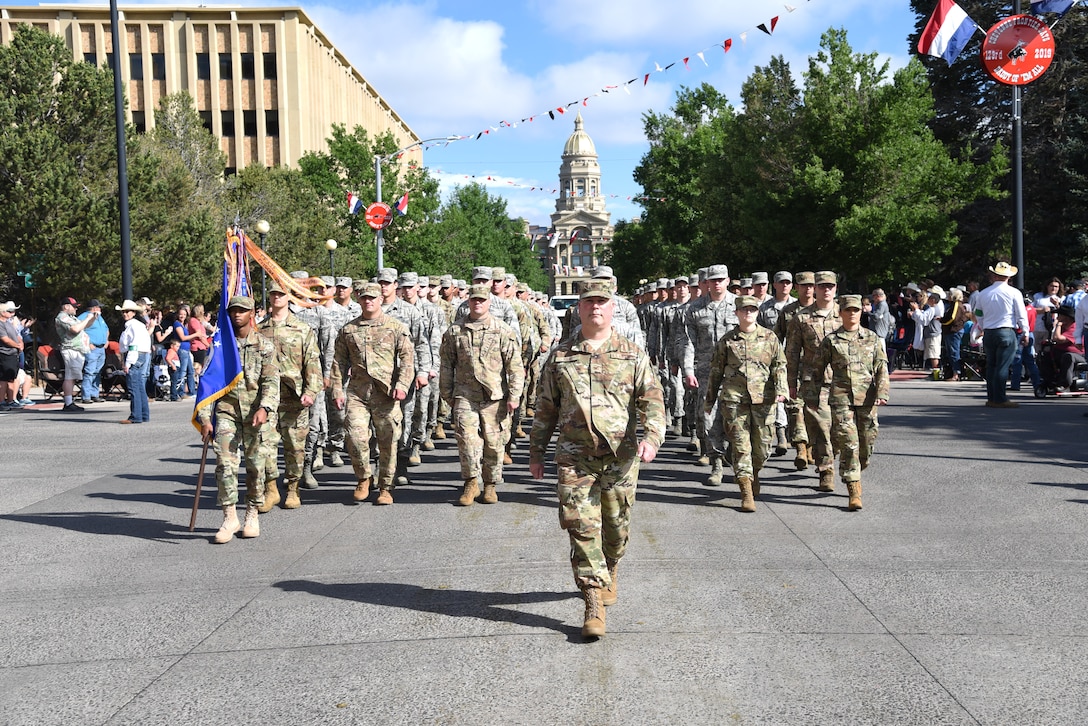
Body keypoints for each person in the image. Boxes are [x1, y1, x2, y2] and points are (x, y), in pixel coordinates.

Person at [529, 279, 666, 639]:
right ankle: (592, 601)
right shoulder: (560, 356)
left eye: (602, 302)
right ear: (579, 307)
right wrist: (536, 452)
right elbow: (545, 408)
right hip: (574, 456)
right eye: (589, 302)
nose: (595, 308)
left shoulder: (632, 354)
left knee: (616, 529)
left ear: (612, 307)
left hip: (620, 457)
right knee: (580, 526)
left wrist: (652, 438)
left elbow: (652, 400)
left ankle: (612, 566)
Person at [196, 296, 279, 544]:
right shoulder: (219, 347)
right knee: (224, 464)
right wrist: (204, 417)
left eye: (242, 311)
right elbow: (208, 383)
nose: (237, 315)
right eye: (233, 311)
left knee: (256, 466)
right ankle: (229, 516)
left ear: (251, 313)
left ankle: (252, 514)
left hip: (256, 414)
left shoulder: (264, 346)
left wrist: (265, 407)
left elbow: (271, 382)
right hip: (227, 412)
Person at [440, 283, 524, 506]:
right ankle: (471, 482)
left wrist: (514, 395)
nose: (478, 303)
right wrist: (447, 393)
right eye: (474, 300)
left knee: (495, 443)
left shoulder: (503, 330)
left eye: (482, 300)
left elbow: (515, 366)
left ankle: (490, 485)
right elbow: (447, 364)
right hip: (465, 395)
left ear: (489, 302)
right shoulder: (455, 331)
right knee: (467, 441)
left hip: (495, 397)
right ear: (468, 301)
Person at [333, 282, 415, 505]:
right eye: (364, 297)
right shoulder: (348, 329)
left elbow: (407, 359)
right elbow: (338, 361)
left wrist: (402, 385)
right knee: (355, 437)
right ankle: (363, 477)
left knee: (388, 440)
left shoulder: (396, 327)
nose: (368, 301)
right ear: (358, 300)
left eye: (372, 297)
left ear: (381, 300)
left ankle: (386, 486)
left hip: (386, 394)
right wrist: (337, 389)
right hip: (358, 392)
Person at [705, 295, 787, 512]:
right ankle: (746, 491)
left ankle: (754, 473)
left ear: (757, 312)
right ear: (737, 313)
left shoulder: (770, 338)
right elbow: (716, 371)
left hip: (763, 399)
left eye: (752, 309)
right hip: (735, 400)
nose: (748, 313)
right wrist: (710, 400)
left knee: (761, 448)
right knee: (741, 446)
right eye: (744, 310)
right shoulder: (727, 340)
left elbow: (779, 365)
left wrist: (782, 390)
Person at [818, 295, 889, 510]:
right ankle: (853, 488)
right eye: (848, 310)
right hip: (841, 399)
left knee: (865, 444)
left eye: (856, 310)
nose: (852, 314)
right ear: (841, 313)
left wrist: (882, 392)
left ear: (861, 312)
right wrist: (812, 396)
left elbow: (881, 368)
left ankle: (855, 466)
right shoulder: (831, 341)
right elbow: (816, 369)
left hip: (867, 398)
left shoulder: (872, 338)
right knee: (850, 443)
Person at [257, 281, 323, 512]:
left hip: (293, 397)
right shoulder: (259, 328)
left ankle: (293, 488)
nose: (276, 298)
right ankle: (271, 489)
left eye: (281, 294)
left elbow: (312, 363)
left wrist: (311, 391)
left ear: (289, 298)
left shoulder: (302, 329)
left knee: (295, 446)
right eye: (273, 294)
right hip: (267, 399)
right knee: (265, 445)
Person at [784, 271, 842, 492]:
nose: (826, 290)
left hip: (842, 382)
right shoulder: (801, 318)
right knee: (821, 428)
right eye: (822, 286)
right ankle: (826, 470)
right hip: (813, 383)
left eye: (830, 286)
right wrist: (790, 383)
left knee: (841, 431)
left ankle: (826, 454)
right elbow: (791, 353)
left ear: (835, 288)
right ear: (815, 288)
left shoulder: (844, 314)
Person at [973, 261, 1029, 408]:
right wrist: (1025, 331)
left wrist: (983, 325)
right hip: (1006, 330)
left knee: (991, 365)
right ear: (1008, 276)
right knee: (1002, 367)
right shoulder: (1014, 292)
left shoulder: (983, 293)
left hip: (989, 332)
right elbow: (1021, 314)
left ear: (994, 275)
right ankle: (1000, 398)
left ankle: (992, 397)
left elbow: (978, 313)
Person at [54, 296, 98, 412]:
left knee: (73, 377)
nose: (76, 309)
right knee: (70, 377)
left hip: (77, 350)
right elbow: (75, 329)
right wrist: (87, 318)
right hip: (71, 350)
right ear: (66, 306)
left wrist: (92, 318)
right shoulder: (62, 317)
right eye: (74, 307)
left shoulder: (71, 317)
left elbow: (85, 326)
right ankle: (68, 403)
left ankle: (70, 402)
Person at [116, 299, 152, 424]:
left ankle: (136, 415)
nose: (125, 314)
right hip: (140, 354)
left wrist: (128, 362)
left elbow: (133, 345)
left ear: (133, 312)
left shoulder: (132, 326)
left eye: (128, 311)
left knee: (133, 386)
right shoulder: (138, 325)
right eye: (124, 312)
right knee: (139, 386)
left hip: (134, 355)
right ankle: (143, 414)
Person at [78, 299, 110, 404]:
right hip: (92, 348)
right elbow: (79, 331)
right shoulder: (84, 317)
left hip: (101, 348)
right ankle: (86, 395)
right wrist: (88, 343)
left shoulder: (100, 317)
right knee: (90, 371)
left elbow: (106, 329)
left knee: (97, 371)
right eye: (99, 307)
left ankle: (94, 394)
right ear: (94, 308)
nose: (100, 309)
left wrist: (106, 340)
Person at [171, 305, 200, 400]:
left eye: (184, 314)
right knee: (182, 372)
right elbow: (182, 338)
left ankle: (192, 392)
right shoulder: (177, 324)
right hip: (182, 349)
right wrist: (195, 335)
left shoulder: (184, 325)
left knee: (191, 371)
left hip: (187, 349)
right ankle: (179, 392)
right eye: (180, 314)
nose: (182, 316)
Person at [0, 300, 23, 410]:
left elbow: (17, 335)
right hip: (5, 353)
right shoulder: (0, 324)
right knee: (4, 379)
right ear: (2, 312)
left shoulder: (9, 323)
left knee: (12, 378)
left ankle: (11, 400)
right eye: (9, 311)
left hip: (13, 354)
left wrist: (21, 343)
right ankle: (1, 402)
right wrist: (17, 346)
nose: (12, 313)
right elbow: (5, 339)